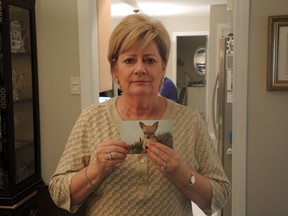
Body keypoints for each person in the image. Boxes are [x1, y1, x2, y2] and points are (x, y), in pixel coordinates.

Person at [49, 14, 231, 216]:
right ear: (115, 69)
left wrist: (182, 174)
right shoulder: (91, 119)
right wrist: (96, 169)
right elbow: (58, 192)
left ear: (163, 67)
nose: (140, 69)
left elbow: (221, 194)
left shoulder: (191, 121)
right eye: (129, 60)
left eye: (150, 60)